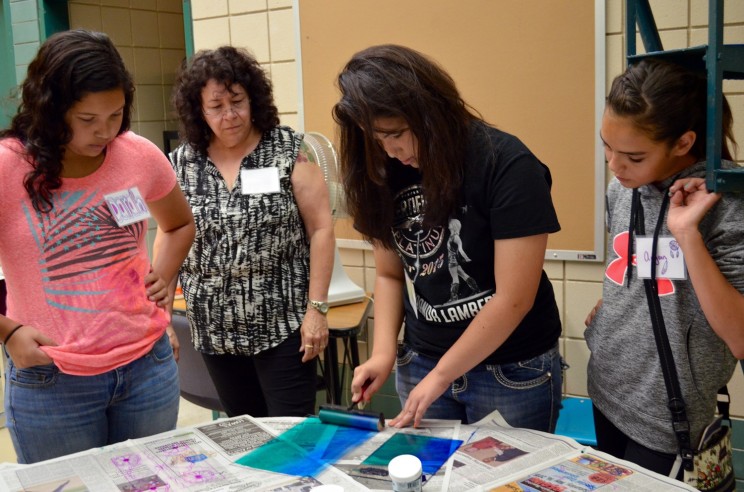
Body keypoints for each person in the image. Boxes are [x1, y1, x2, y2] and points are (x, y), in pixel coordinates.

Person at [334, 45, 563, 430]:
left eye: (397, 134)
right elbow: (391, 275)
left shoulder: (507, 163)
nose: (391, 150)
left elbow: (513, 300)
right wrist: (383, 353)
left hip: (510, 370)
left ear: (431, 113)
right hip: (422, 359)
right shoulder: (385, 169)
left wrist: (441, 376)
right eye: (376, 138)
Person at [0, 29, 195, 464]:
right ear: (51, 109)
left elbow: (180, 223)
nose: (105, 131)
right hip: (53, 380)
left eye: (115, 115)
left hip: (148, 368)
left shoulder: (138, 155)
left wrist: (163, 275)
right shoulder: (8, 165)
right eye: (87, 120)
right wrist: (8, 332)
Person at [584, 58, 743, 479]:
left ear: (683, 142)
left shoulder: (727, 204)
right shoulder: (625, 187)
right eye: (606, 145)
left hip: (667, 415)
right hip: (607, 390)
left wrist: (687, 235)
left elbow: (740, 336)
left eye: (633, 156)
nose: (614, 166)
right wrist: (618, 306)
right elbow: (649, 268)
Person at [162, 46, 334, 418]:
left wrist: (317, 309)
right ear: (199, 110)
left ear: (253, 98)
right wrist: (160, 316)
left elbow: (321, 229)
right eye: (217, 106)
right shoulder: (182, 164)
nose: (230, 115)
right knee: (245, 435)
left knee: (293, 436)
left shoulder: (288, 150)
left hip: (284, 323)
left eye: (237, 101)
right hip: (214, 329)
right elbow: (169, 234)